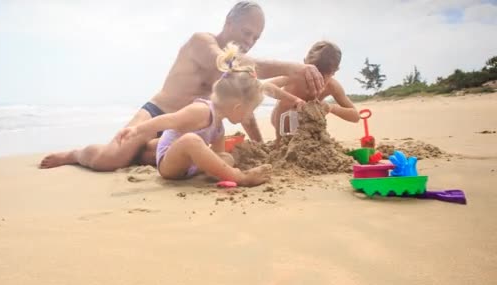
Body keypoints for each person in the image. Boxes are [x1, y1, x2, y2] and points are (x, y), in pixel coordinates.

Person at [39, 1, 324, 171]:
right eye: (246, 32)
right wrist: (292, 67)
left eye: (256, 37)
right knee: (112, 159)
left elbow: (246, 105)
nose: (249, 40)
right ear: (229, 22)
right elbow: (226, 62)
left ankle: (143, 150)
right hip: (158, 112)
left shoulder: (239, 63)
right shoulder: (203, 42)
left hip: (189, 125)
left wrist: (262, 147)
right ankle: (75, 154)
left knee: (169, 156)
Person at [115, 43, 298, 186]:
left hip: (192, 168)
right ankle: (240, 178)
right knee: (191, 141)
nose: (248, 118)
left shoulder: (218, 126)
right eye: (249, 112)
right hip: (170, 164)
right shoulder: (201, 111)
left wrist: (220, 162)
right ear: (237, 108)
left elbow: (216, 154)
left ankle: (222, 173)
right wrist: (137, 129)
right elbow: (168, 120)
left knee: (227, 157)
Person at [268, 41, 360, 143]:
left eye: (323, 77)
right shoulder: (295, 76)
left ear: (334, 72)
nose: (315, 79)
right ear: (304, 65)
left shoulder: (332, 86)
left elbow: (355, 116)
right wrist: (292, 99)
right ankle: (279, 142)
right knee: (285, 101)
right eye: (311, 73)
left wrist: (331, 108)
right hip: (284, 125)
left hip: (309, 129)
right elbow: (265, 87)